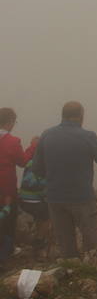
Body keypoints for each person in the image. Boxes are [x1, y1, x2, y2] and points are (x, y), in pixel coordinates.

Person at [33, 101, 97, 259]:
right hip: (82, 197)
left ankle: (71, 274)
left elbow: (37, 169)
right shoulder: (87, 136)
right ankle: (91, 276)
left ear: (62, 115)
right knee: (92, 245)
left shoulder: (46, 135)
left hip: (55, 198)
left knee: (66, 247)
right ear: (81, 116)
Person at [0, 108, 35, 263]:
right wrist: (33, 146)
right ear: (10, 122)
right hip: (6, 189)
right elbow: (23, 161)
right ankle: (5, 254)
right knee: (8, 221)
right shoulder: (12, 141)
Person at [19, 139, 51, 258]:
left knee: (40, 214)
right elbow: (41, 186)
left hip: (23, 200)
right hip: (36, 201)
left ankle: (36, 238)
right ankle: (39, 241)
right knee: (46, 216)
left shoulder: (29, 163)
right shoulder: (44, 163)